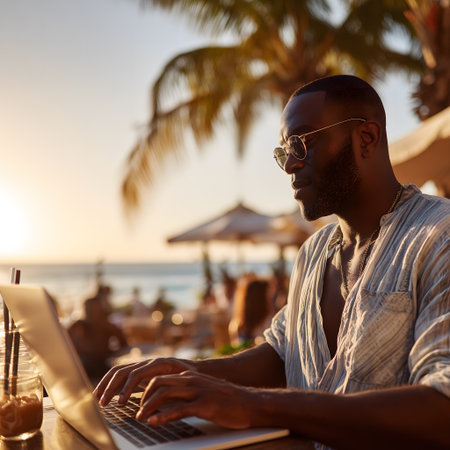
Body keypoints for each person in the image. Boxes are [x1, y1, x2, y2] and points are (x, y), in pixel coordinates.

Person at [94, 75, 450, 449]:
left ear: (366, 138)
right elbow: (282, 353)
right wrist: (189, 374)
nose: (290, 165)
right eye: (284, 151)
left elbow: (443, 408)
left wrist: (256, 405)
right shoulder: (313, 254)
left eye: (301, 144)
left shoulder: (437, 236)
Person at [68, 285, 128, 382]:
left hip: (90, 364)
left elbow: (123, 343)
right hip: (92, 363)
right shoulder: (79, 325)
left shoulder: (79, 325)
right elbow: (124, 343)